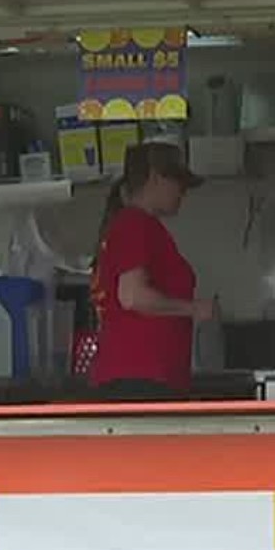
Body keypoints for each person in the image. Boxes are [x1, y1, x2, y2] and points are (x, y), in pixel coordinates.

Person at [88, 141, 214, 399]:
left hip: (141, 376)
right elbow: (132, 296)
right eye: (178, 183)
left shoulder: (136, 226)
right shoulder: (135, 224)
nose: (183, 193)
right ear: (156, 178)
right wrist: (193, 309)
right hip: (140, 378)